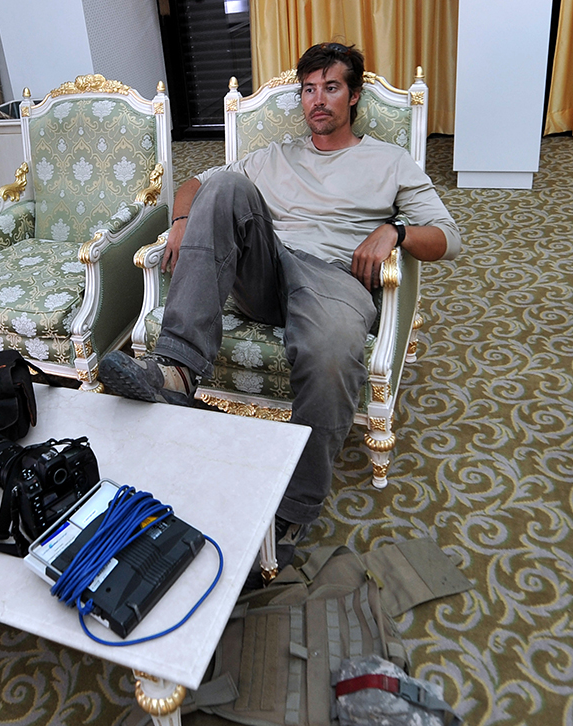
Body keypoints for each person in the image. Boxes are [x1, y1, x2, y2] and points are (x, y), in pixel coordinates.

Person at [99, 42, 461, 545]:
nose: (318, 100)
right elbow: (195, 183)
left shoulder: (389, 160)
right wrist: (182, 221)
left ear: (353, 96)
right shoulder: (273, 156)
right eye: (309, 89)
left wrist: (395, 231)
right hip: (267, 269)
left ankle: (295, 506)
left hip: (334, 277)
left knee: (332, 350)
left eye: (331, 88)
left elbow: (448, 238)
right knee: (223, 189)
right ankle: (177, 370)